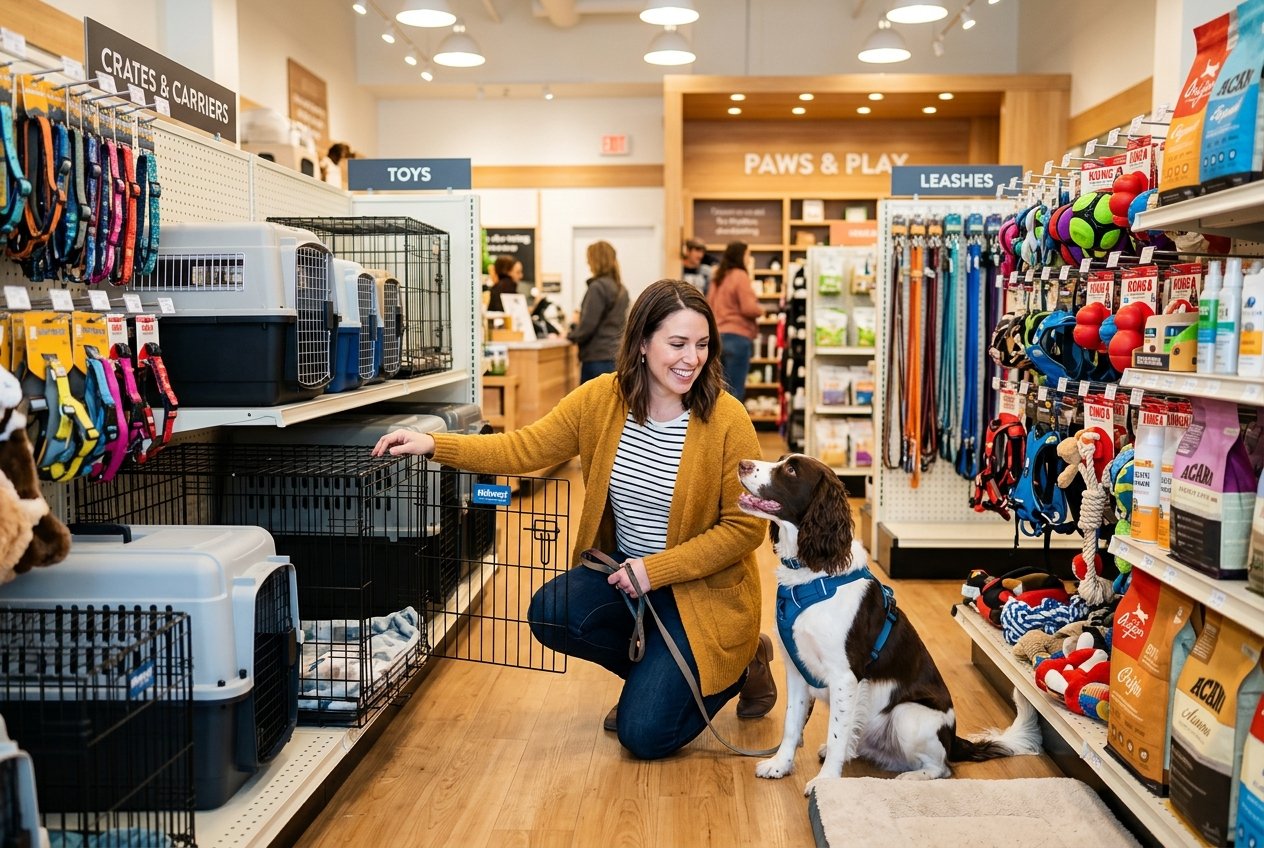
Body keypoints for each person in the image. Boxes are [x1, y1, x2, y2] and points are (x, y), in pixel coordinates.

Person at [373, 279, 777, 760]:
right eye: (677, 344)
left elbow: (745, 528)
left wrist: (656, 570)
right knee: (551, 612)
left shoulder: (728, 418)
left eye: (702, 344)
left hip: (700, 590)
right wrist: (435, 444)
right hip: (624, 575)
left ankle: (743, 661)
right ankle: (655, 676)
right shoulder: (602, 399)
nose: (692, 358)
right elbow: (525, 447)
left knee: (643, 736)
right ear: (642, 343)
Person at [708, 241, 764, 402]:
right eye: (748, 254)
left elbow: (708, 305)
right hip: (737, 337)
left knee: (718, 390)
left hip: (717, 337)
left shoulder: (718, 277)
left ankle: (716, 419)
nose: (749, 259)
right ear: (741, 256)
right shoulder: (740, 275)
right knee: (735, 392)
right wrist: (761, 310)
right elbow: (748, 308)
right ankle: (732, 420)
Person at [568, 240, 629, 384]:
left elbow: (587, 327)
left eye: (589, 259)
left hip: (596, 358)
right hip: (616, 355)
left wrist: (570, 335)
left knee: (592, 398)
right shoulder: (621, 289)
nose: (587, 263)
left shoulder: (597, 287)